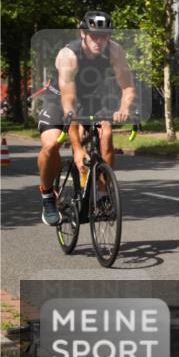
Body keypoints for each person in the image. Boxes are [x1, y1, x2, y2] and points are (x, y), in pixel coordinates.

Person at [37, 11, 135, 225]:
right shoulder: (68, 56)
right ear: (83, 33)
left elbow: (127, 86)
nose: (100, 41)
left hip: (92, 98)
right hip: (59, 99)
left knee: (106, 132)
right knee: (51, 144)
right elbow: (69, 103)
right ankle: (47, 196)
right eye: (94, 35)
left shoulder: (115, 51)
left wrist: (124, 108)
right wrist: (77, 148)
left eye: (105, 35)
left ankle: (101, 195)